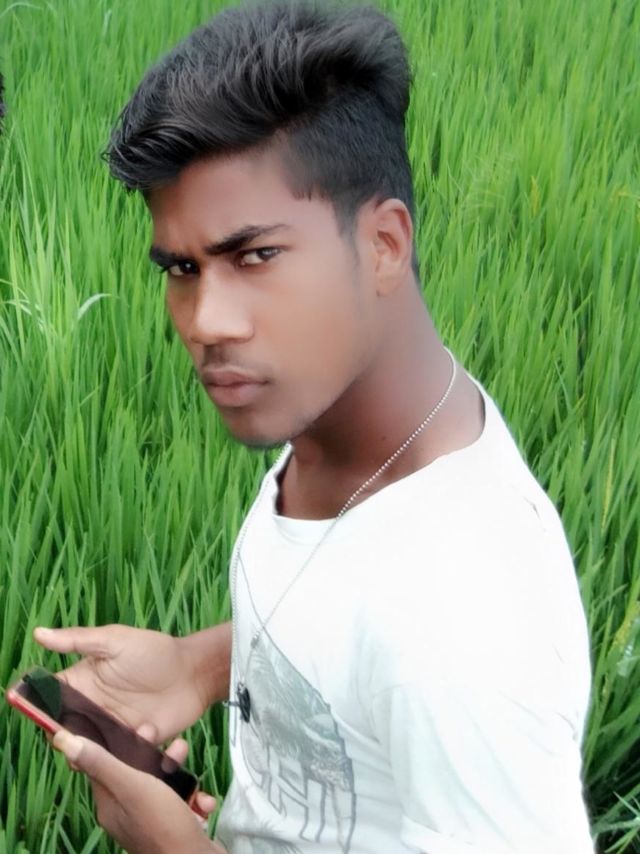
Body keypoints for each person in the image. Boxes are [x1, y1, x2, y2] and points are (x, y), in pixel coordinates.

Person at [35, 1, 595, 851]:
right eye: (181, 268)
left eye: (255, 256)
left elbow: (409, 644)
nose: (206, 321)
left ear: (383, 245)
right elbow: (349, 620)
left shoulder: (468, 619)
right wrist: (196, 665)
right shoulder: (353, 427)